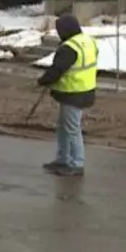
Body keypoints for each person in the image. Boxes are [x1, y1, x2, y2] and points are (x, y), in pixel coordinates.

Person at [36, 14, 97, 177]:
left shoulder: (70, 47)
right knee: (64, 127)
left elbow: (57, 70)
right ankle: (63, 159)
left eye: (59, 31)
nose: (58, 34)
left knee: (71, 129)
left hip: (73, 93)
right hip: (84, 90)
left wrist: (43, 81)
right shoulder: (87, 41)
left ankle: (77, 163)